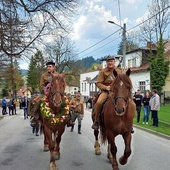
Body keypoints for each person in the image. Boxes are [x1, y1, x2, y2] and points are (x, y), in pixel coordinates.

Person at [91, 55, 122, 130]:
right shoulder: (103, 72)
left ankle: (129, 122)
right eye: (108, 61)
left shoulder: (119, 70)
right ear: (106, 62)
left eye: (111, 61)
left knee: (128, 101)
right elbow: (98, 83)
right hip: (106, 91)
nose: (110, 63)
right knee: (99, 102)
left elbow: (122, 80)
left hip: (117, 91)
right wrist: (106, 87)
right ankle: (96, 120)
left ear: (114, 62)